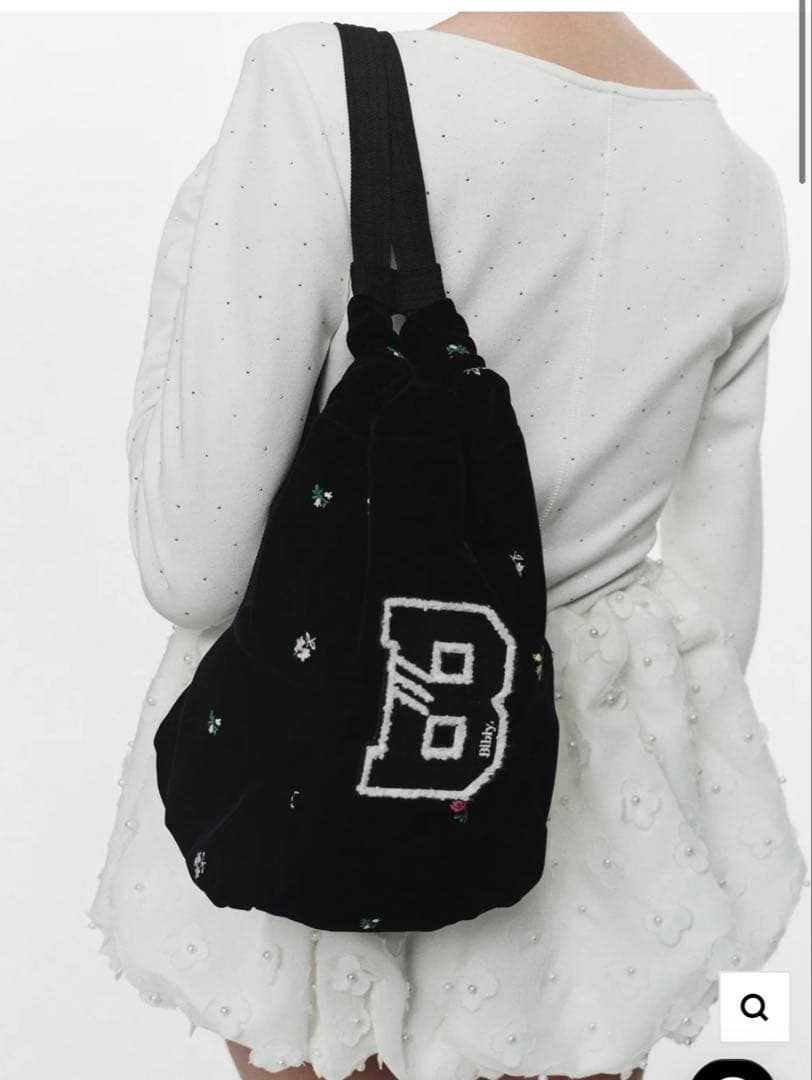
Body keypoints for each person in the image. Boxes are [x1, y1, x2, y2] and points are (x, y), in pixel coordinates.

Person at [86, 11, 808, 1080]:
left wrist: (188, 256)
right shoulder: (737, 183)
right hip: (588, 857)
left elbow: (187, 565)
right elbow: (716, 613)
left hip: (326, 766)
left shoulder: (320, 87)